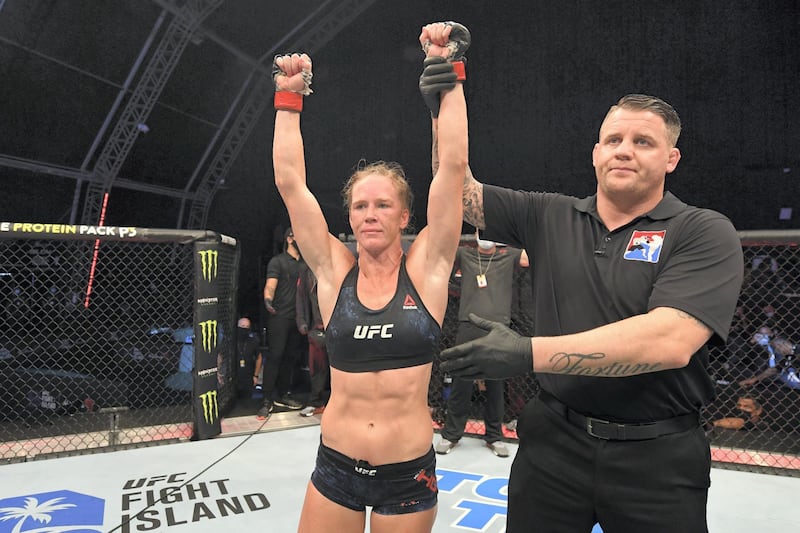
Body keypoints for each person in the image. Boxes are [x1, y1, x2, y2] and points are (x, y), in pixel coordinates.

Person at [429, 91, 744, 531]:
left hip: (657, 456)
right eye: (614, 139)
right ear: (596, 153)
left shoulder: (702, 230)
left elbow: (670, 341)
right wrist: (445, 101)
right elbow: (459, 192)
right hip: (553, 443)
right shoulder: (550, 214)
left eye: (643, 142)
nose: (624, 150)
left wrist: (528, 353)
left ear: (671, 158)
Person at [271, 21, 468, 533]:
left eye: (383, 205)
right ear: (350, 217)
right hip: (336, 470)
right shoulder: (334, 271)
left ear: (405, 217)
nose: (370, 214)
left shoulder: (427, 270)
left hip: (407, 477)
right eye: (361, 205)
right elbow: (291, 184)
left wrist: (447, 72)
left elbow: (453, 167)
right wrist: (288, 100)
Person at [435, 230, 528, 458]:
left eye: (489, 230)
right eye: (480, 230)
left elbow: (530, 256)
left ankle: (494, 437)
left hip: (498, 329)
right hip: (468, 326)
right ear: (474, 234)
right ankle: (451, 434)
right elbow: (441, 250)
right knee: (461, 384)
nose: (485, 235)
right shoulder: (465, 255)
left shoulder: (510, 256)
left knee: (496, 387)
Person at [256, 227, 305, 418]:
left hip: (298, 316)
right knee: (275, 355)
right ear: (290, 239)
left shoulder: (304, 264)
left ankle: (283, 394)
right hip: (280, 315)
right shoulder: (278, 261)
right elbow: (270, 285)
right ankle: (266, 398)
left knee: (291, 356)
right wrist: (268, 300)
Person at [295, 261, 330, 417]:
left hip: (339, 324)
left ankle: (344, 403)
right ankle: (316, 401)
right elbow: (301, 296)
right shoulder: (307, 268)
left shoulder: (337, 262)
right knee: (317, 366)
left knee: (344, 367)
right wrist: (301, 321)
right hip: (317, 325)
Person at [235, 316, 261, 400]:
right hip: (233, 376)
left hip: (248, 376)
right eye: (242, 326)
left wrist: (256, 376)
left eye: (247, 327)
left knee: (246, 400)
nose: (244, 329)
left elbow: (259, 358)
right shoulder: (231, 340)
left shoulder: (253, 341)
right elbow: (221, 355)